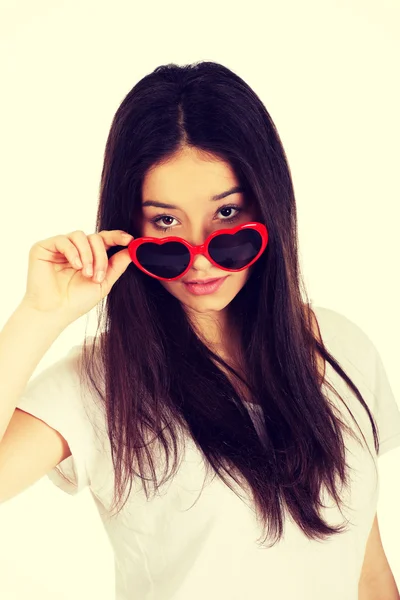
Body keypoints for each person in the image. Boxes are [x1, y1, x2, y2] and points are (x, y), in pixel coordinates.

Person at [0, 61, 399, 600]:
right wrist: (38, 314)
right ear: (129, 226)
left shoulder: (344, 347)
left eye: (228, 214)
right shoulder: (98, 384)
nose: (201, 258)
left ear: (268, 206)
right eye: (165, 222)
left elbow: (368, 573)